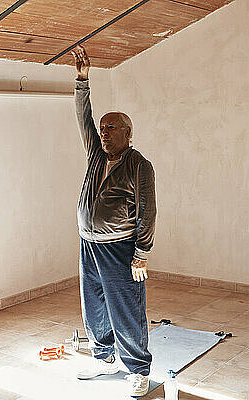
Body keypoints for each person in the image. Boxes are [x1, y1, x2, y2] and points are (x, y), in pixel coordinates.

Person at [71, 45, 157, 398]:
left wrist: (142, 253)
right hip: (88, 243)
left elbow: (148, 212)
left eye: (111, 128)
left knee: (125, 307)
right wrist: (82, 81)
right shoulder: (96, 154)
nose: (103, 133)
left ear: (127, 132)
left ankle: (138, 369)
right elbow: (83, 119)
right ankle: (103, 357)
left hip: (120, 248)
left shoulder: (139, 165)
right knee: (93, 304)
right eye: (102, 128)